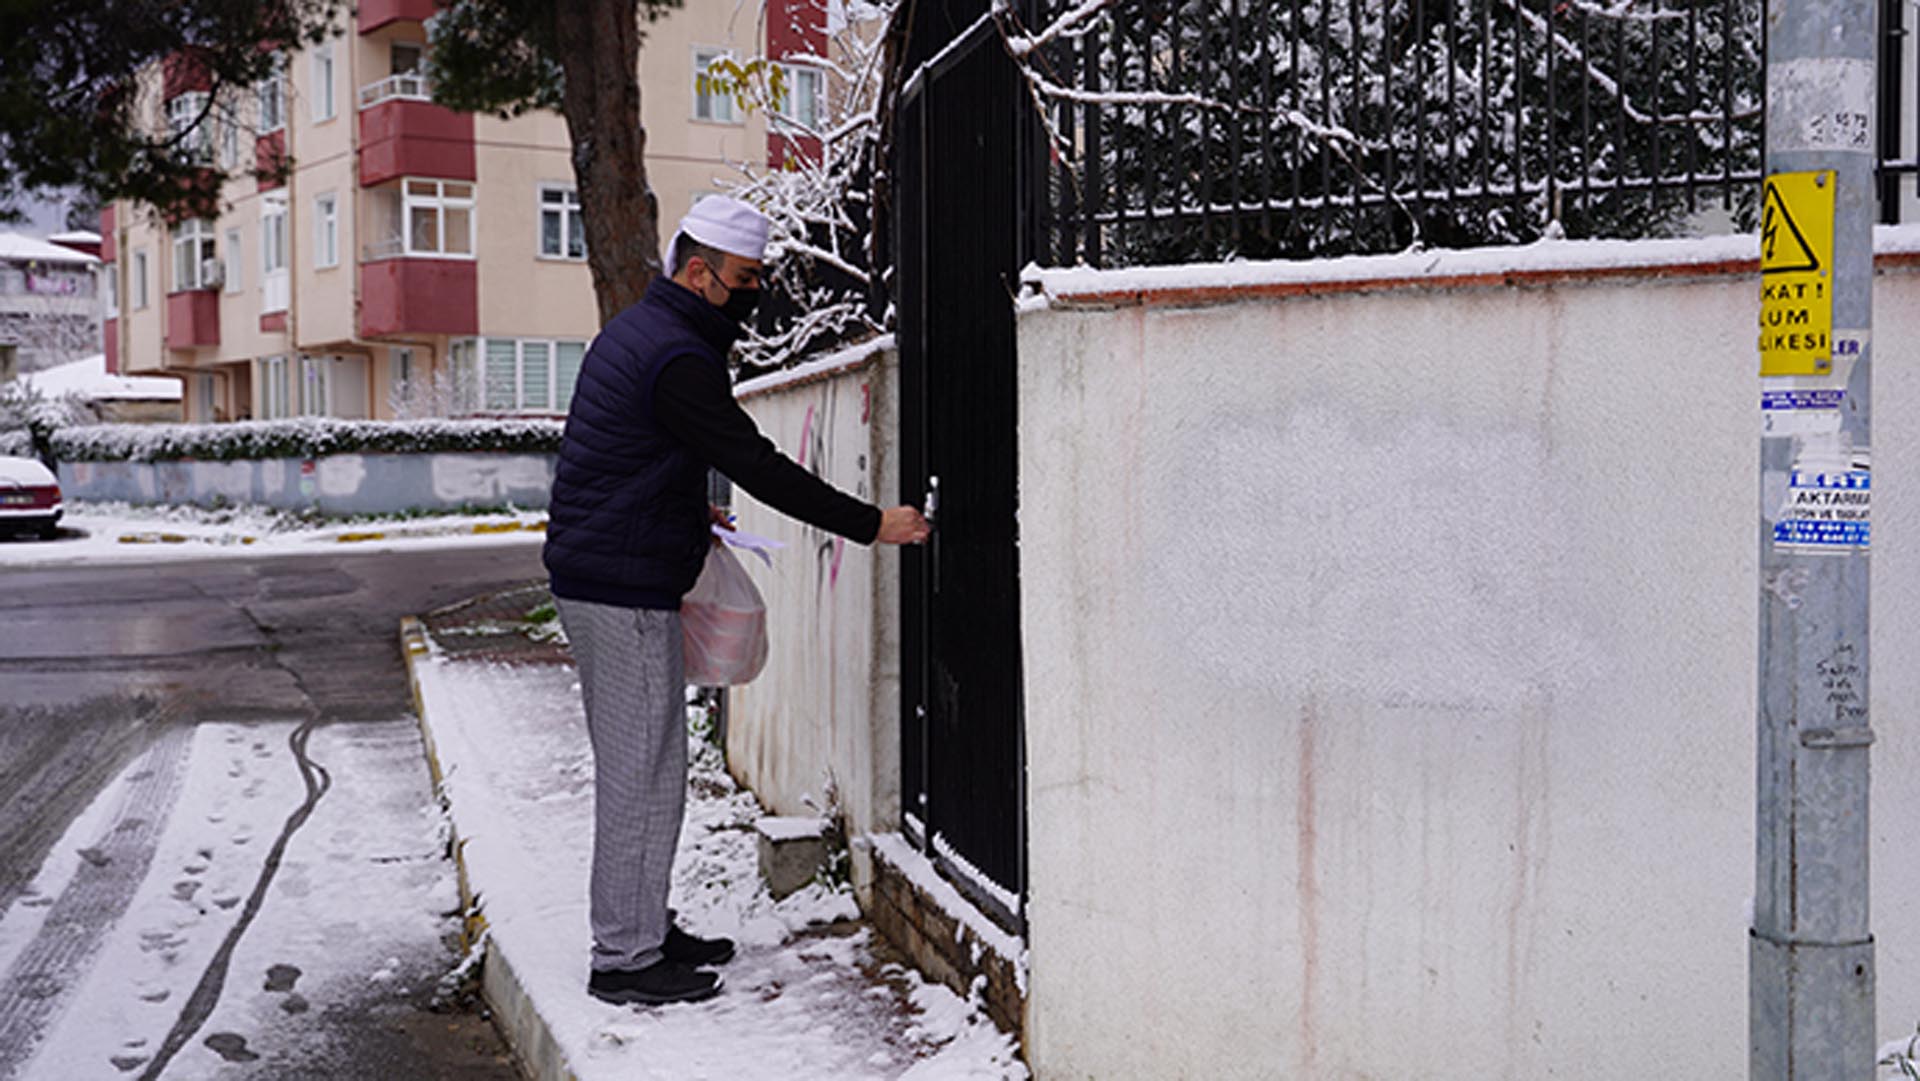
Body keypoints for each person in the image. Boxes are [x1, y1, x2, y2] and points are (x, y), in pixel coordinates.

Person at [543, 196, 930, 1007]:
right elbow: (754, 460)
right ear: (698, 272)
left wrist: (687, 510)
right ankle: (624, 957)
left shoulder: (643, 332)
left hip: (613, 574)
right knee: (641, 776)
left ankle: (643, 926)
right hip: (621, 592)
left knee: (656, 769)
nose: (755, 292)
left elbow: (628, 458)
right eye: (746, 279)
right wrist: (871, 523)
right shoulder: (676, 355)